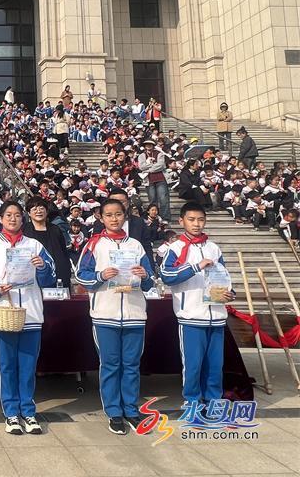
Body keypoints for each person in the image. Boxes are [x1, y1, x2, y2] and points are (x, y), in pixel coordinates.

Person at [0, 201, 56, 436]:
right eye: (8, 215)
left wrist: (41, 267)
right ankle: (11, 413)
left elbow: (50, 277)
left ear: (24, 219)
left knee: (28, 367)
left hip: (31, 312)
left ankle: (28, 412)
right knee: (8, 366)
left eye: (17, 215)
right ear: (0, 219)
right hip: (5, 313)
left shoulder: (35, 246)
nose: (13, 219)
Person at [76, 198, 155, 436]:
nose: (114, 219)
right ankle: (113, 412)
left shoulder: (136, 246)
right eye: (109, 215)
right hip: (105, 314)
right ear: (101, 217)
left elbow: (150, 281)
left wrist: (144, 276)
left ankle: (131, 409)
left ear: (125, 216)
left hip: (134, 312)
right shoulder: (94, 244)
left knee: (131, 365)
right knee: (110, 365)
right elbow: (82, 275)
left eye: (118, 214)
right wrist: (100, 275)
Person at [159, 202, 235, 408]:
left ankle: (213, 401)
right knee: (193, 365)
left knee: (215, 365)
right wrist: (195, 266)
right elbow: (167, 276)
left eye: (200, 219)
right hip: (191, 316)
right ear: (181, 221)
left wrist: (230, 293)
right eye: (191, 219)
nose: (196, 224)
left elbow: (223, 276)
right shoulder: (174, 248)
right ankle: (192, 401)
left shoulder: (214, 247)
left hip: (217, 315)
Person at [23, 197, 72, 288]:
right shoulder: (24, 230)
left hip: (58, 275)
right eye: (34, 209)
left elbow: (63, 253)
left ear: (47, 211)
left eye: (42, 208)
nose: (39, 211)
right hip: (34, 277)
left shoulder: (55, 229)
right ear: (29, 213)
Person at [138, 139, 170, 222]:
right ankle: (154, 217)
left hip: (161, 178)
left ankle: (165, 217)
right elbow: (141, 167)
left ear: (153, 145)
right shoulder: (141, 155)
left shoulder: (159, 154)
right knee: (152, 200)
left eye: (150, 144)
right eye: (147, 144)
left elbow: (161, 165)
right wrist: (149, 164)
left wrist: (149, 169)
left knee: (163, 199)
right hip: (149, 180)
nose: (148, 146)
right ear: (144, 146)